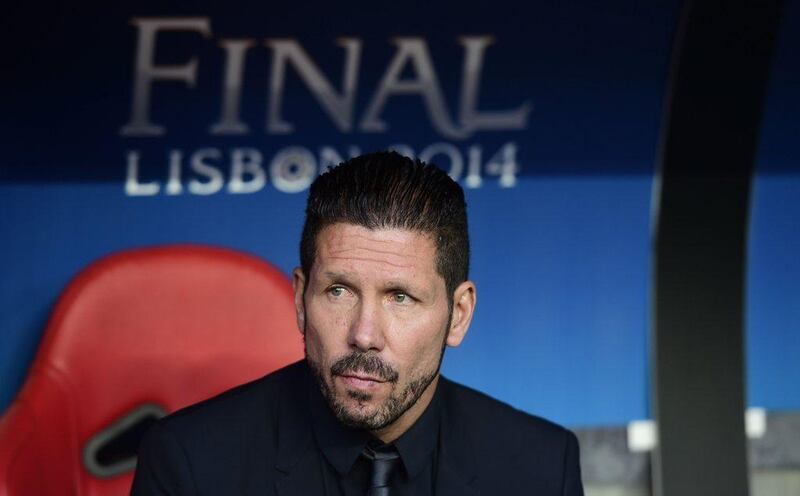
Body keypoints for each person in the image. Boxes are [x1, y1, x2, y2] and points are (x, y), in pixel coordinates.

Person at [131, 151, 584, 495]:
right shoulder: (190, 464)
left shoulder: (540, 468)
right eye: (339, 291)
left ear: (458, 315)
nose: (364, 334)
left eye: (400, 297)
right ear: (300, 300)